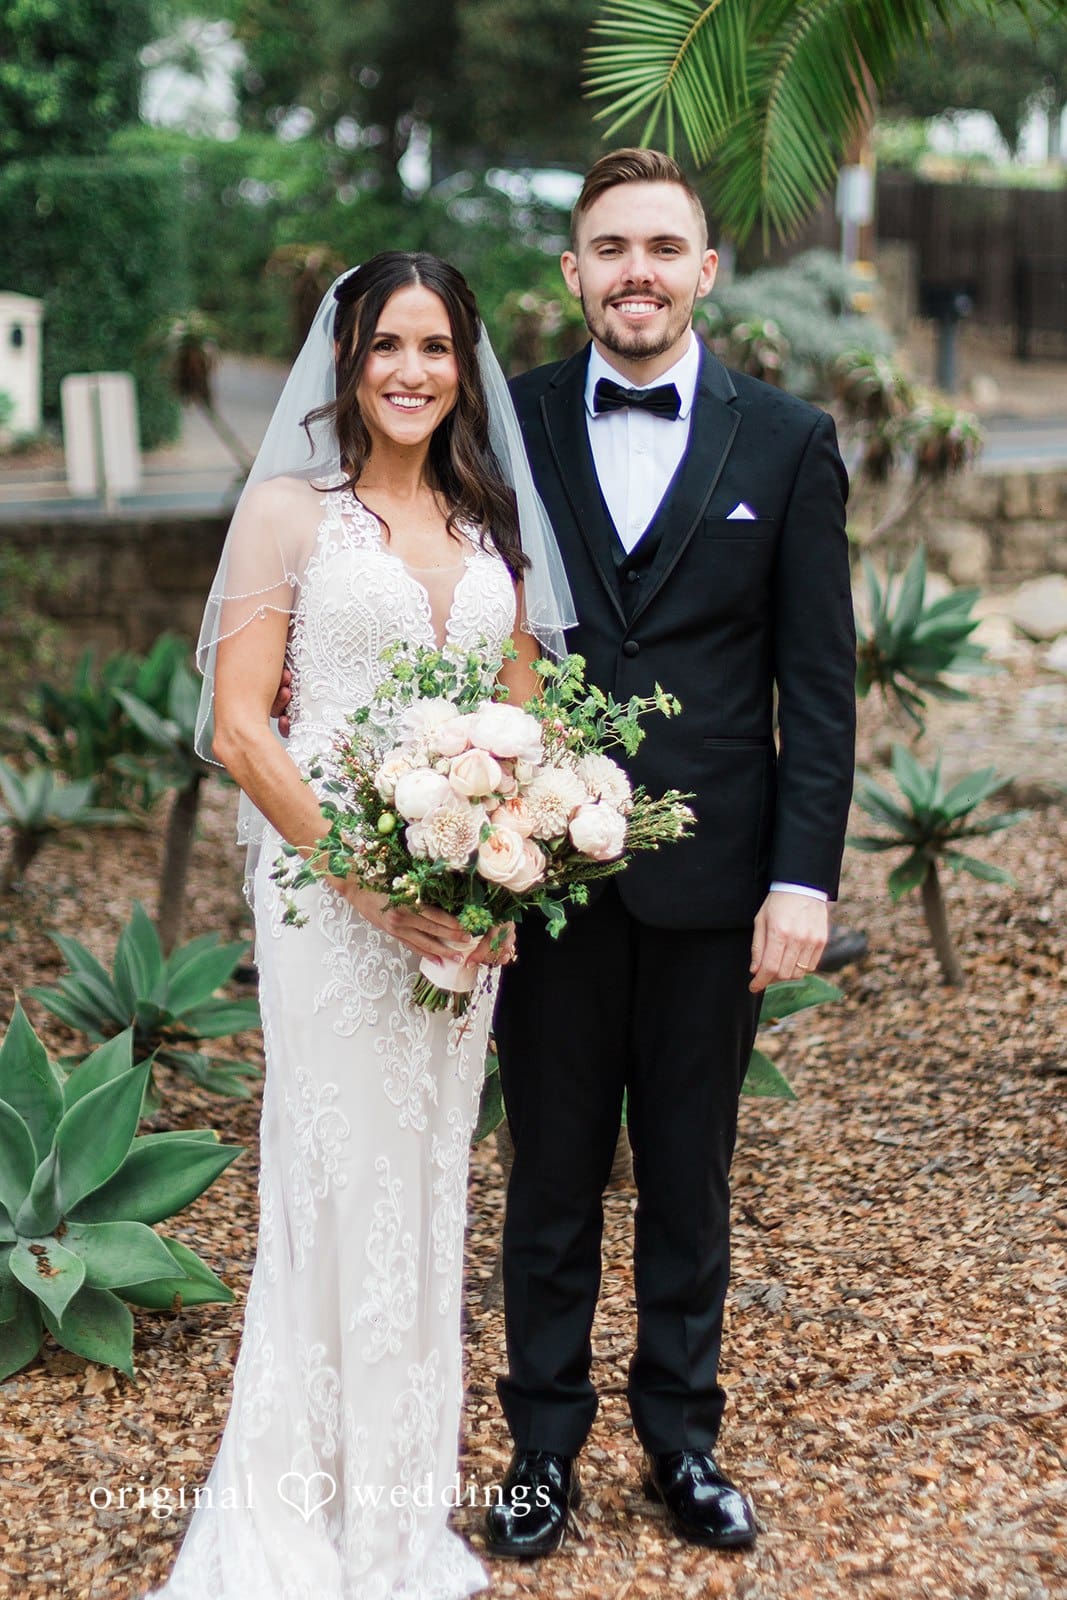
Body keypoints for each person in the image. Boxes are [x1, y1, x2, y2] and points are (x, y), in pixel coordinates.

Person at [144, 253, 574, 1600]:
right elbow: (240, 729)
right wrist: (375, 887)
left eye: (437, 347)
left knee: (429, 1186)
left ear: (465, 367)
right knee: (335, 1182)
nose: (411, 369)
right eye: (389, 343)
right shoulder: (287, 514)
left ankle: (398, 1514)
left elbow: (529, 725)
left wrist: (511, 870)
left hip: (460, 923)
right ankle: (296, 1511)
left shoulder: (492, 524)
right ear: (348, 361)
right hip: (328, 908)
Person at [483, 150, 858, 1559]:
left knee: (692, 1172)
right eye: (608, 248)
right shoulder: (504, 425)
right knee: (551, 1172)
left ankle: (683, 1441)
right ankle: (539, 1448)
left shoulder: (789, 440)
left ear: (706, 271)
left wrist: (802, 877)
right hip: (542, 881)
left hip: (720, 888)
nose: (635, 271)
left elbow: (818, 684)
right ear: (572, 272)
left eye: (662, 247)